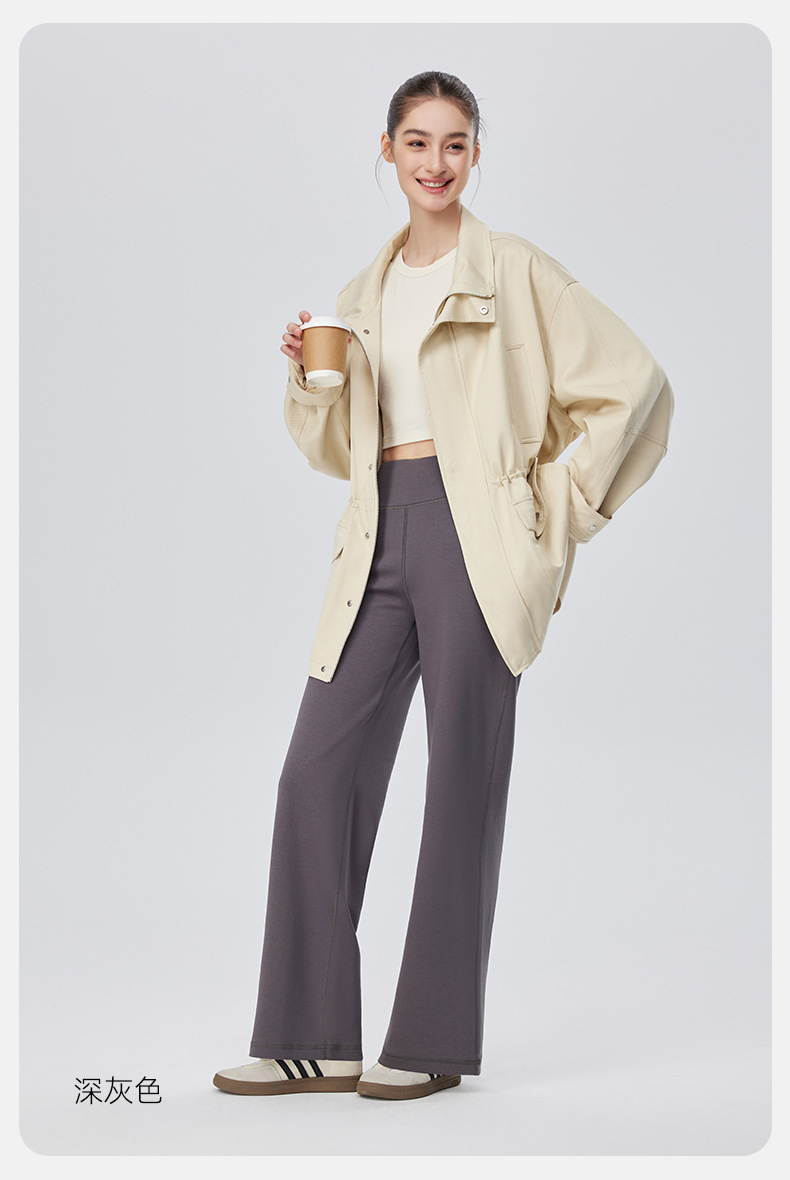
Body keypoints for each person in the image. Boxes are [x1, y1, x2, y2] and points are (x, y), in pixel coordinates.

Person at [213, 70, 674, 1102]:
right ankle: (310, 1035)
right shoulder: (360, 295)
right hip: (380, 528)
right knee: (314, 773)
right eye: (416, 142)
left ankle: (429, 1041)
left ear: (474, 154)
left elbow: (635, 385)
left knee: (460, 776)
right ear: (387, 151)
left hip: (477, 534)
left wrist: (552, 507)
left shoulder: (513, 269)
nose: (435, 162)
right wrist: (306, 380)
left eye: (454, 143)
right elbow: (339, 450)